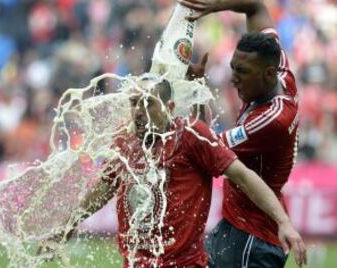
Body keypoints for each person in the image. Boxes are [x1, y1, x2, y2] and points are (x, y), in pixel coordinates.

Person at [39, 73, 305, 268]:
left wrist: (283, 222)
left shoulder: (190, 135)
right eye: (134, 102)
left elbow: (244, 176)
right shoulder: (125, 142)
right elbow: (104, 187)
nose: (139, 111)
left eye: (148, 103)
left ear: (169, 108)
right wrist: (68, 224)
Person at [179, 0, 306, 267]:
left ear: (267, 74)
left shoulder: (272, 121)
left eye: (243, 72)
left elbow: (206, 146)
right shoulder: (278, 68)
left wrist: (192, 91)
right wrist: (215, 6)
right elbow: (256, 7)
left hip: (252, 239)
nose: (233, 78)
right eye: (234, 68)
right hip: (239, 225)